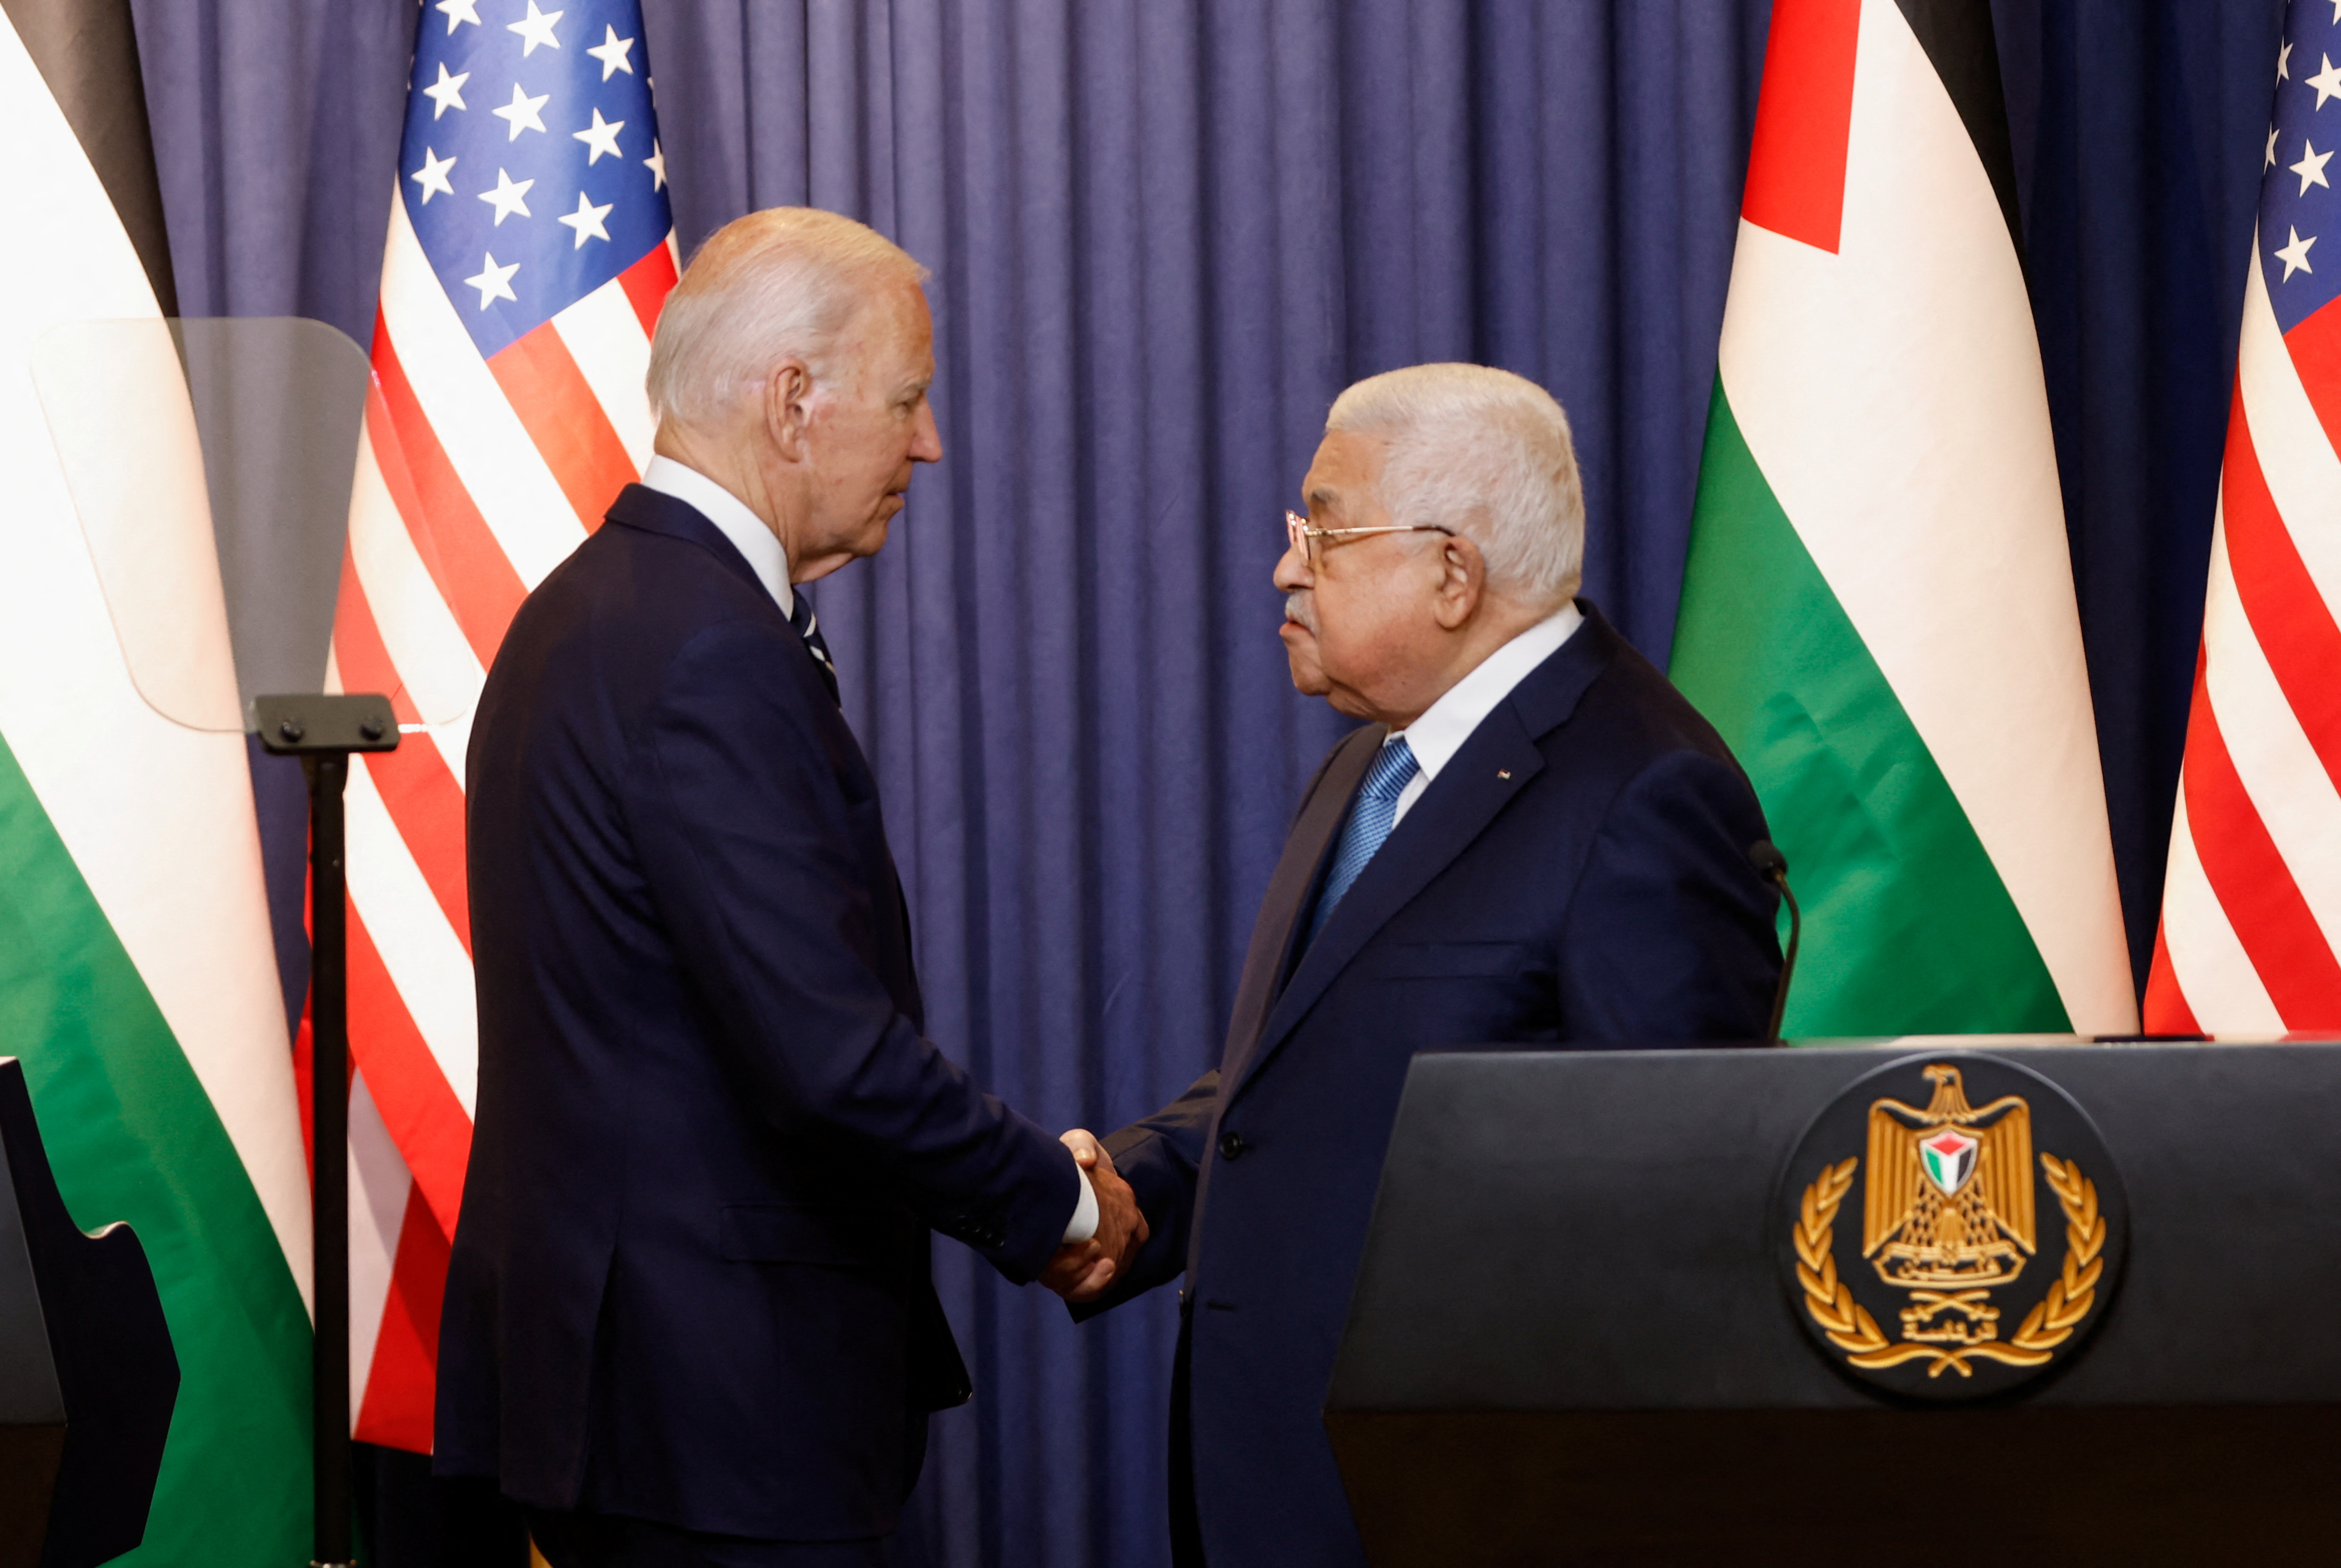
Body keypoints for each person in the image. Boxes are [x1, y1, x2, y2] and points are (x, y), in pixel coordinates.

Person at [434, 208, 1145, 1566]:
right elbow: (824, 1053)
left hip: (636, 1400)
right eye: (909, 399)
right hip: (715, 1414)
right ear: (793, 400)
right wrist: (1055, 1203)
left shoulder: (585, 611)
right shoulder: (702, 647)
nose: (927, 444)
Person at [1059, 364, 1782, 1567]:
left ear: (1452, 571)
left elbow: (1672, 1231)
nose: (1287, 567)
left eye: (1324, 529)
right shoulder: (1372, 759)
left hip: (1459, 1507)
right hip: (1282, 1485)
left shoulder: (1646, 791)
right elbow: (1300, 1083)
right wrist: (1126, 1190)